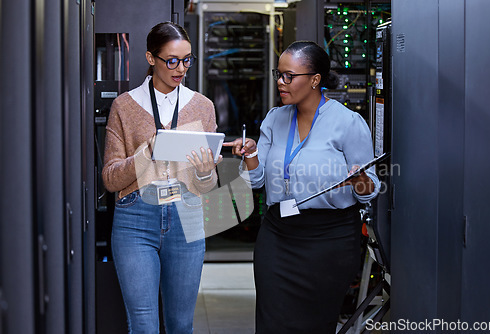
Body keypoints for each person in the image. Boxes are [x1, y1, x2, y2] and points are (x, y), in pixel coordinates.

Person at [224, 40, 381, 333]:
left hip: (328, 240)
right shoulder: (274, 119)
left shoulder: (347, 123)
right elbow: (257, 182)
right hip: (278, 236)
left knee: (316, 325)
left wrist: (359, 179)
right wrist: (252, 156)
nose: (281, 83)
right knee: (271, 324)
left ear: (315, 80)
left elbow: (370, 190)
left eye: (289, 76)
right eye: (279, 74)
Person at [102, 22, 220, 333]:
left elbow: (207, 187)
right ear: (151, 58)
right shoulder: (125, 107)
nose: (181, 68)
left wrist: (206, 173)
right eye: (172, 60)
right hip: (135, 218)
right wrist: (146, 153)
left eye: (187, 60)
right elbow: (111, 179)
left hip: (187, 215)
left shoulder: (202, 106)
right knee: (143, 324)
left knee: (181, 324)